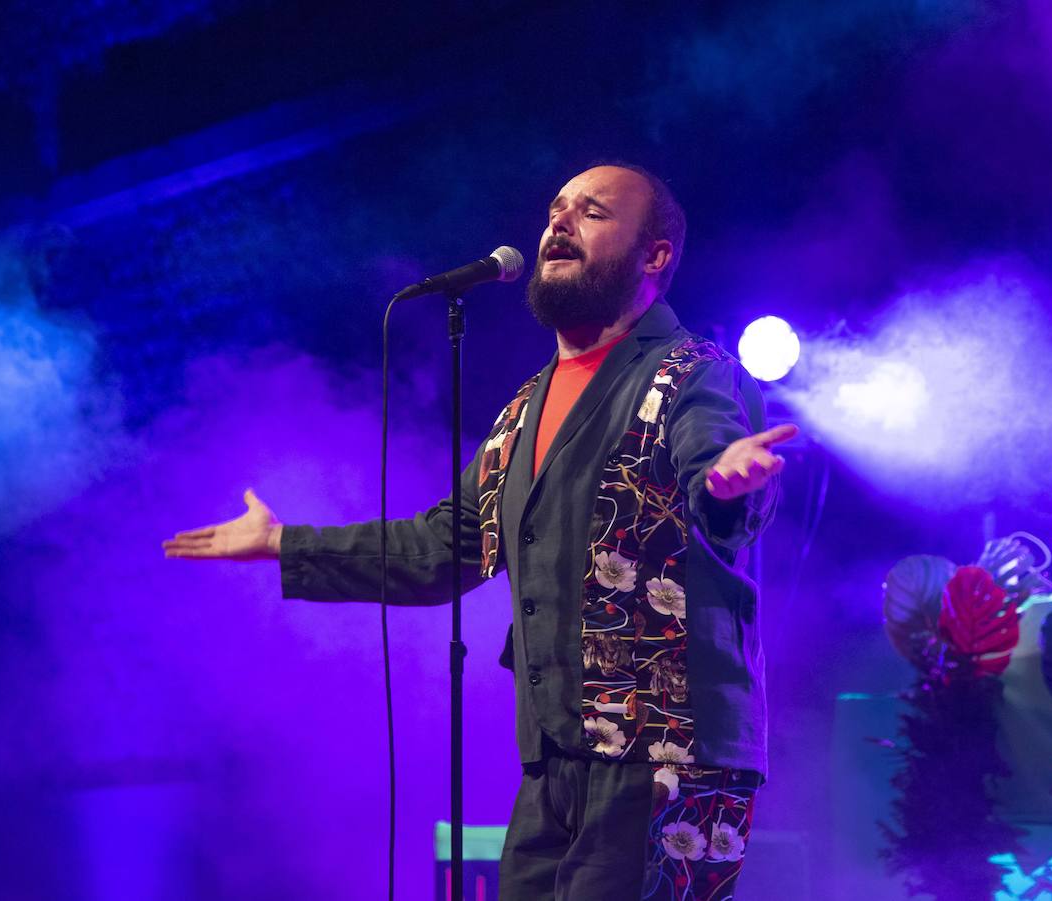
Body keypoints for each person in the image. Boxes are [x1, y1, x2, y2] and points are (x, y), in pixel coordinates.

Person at [164, 164, 798, 900]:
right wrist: (285, 543)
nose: (559, 223)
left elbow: (712, 472)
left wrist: (726, 481)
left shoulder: (694, 373)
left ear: (653, 255)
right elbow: (440, 549)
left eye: (591, 213)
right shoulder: (523, 410)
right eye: (556, 210)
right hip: (555, 762)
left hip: (664, 752)